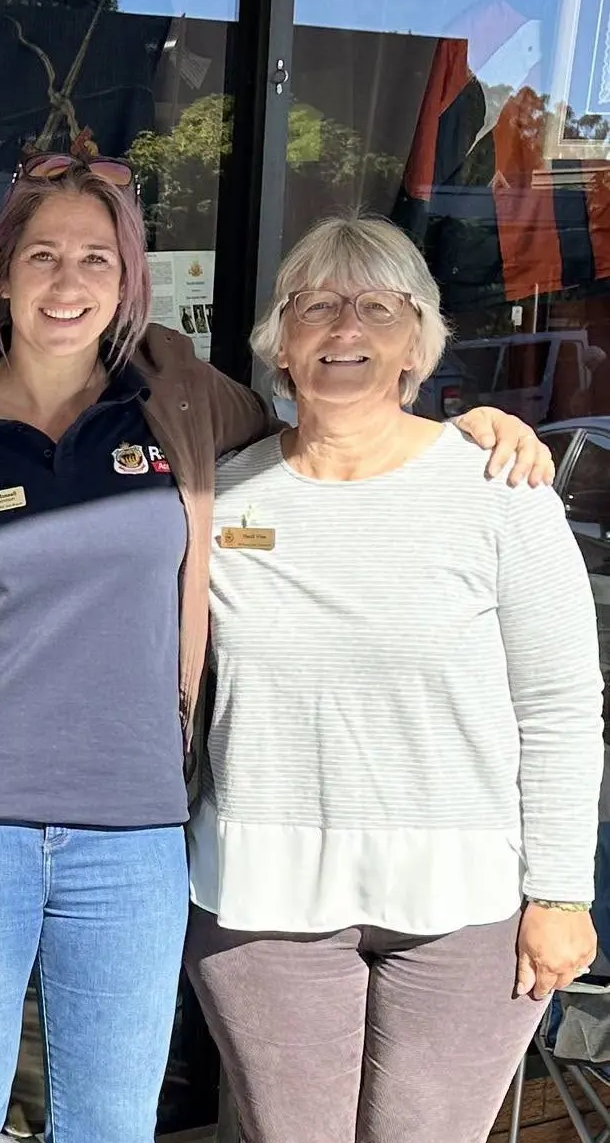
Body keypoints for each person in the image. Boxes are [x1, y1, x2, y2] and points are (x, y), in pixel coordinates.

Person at [0, 153, 556, 1142]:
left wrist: (469, 430)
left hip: (134, 844)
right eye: (43, 255)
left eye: (97, 257)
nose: (68, 280)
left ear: (130, 278)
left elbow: (332, 436)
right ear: (1, 275)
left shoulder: (180, 406)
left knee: (114, 1126)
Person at [185, 215, 603, 1143]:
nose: (347, 329)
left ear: (417, 343)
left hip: (467, 906)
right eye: (318, 307)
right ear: (281, 344)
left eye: (379, 309)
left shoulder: (500, 492)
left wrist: (562, 892)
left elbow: (562, 707)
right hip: (262, 896)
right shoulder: (218, 496)